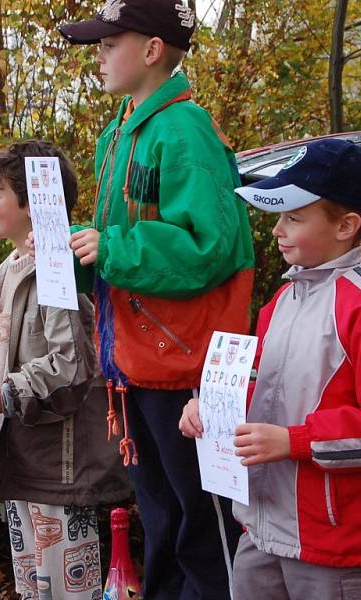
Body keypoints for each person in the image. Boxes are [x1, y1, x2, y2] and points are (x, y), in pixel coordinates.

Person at [58, 2, 254, 598]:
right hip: (138, 366)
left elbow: (210, 247)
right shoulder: (121, 130)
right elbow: (115, 246)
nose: (98, 54)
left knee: (203, 526)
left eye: (108, 42)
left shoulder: (185, 129)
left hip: (185, 373)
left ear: (151, 51)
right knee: (163, 518)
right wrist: (70, 258)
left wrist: (111, 248)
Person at [180, 138, 361, 599]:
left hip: (338, 550)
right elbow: (255, 389)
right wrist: (207, 409)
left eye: (293, 217)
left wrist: (294, 441)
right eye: (279, 216)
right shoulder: (282, 301)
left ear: (346, 226)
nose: (277, 230)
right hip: (263, 529)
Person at [0, 140, 130, 600]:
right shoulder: (5, 272)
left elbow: (73, 364)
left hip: (59, 472)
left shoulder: (59, 270)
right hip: (18, 460)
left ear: (30, 201)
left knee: (67, 591)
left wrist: (5, 395)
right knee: (32, 588)